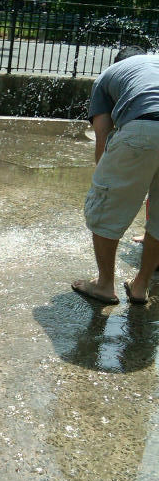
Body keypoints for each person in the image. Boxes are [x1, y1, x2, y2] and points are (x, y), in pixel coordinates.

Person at [72, 46, 159, 305]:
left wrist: (106, 182)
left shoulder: (108, 75)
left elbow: (103, 136)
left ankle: (104, 285)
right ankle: (140, 286)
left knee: (105, 208)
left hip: (143, 126)